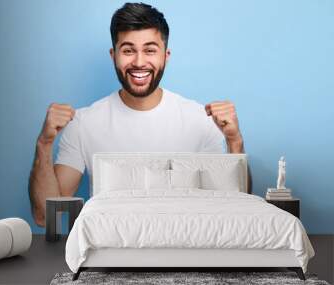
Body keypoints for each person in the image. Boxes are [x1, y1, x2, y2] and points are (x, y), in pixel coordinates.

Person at [29, 3, 249, 227]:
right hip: (110, 255)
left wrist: (235, 142)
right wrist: (44, 144)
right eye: (128, 50)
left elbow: (231, 209)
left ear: (166, 55)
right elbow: (46, 217)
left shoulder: (200, 120)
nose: (139, 62)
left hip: (186, 253)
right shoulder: (84, 123)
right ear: (113, 55)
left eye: (150, 50)